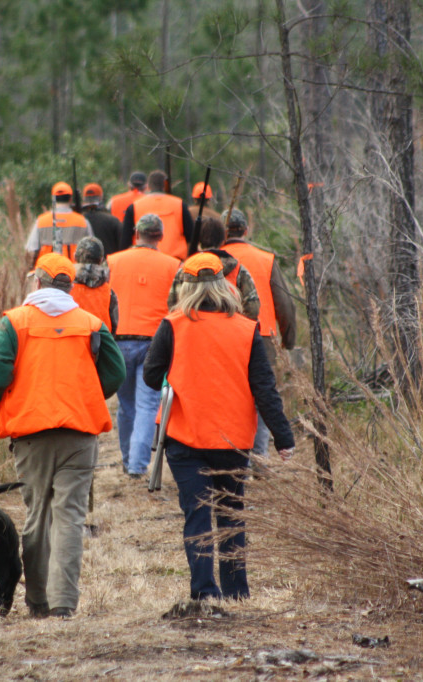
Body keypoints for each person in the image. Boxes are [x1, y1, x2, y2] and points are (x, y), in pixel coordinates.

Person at [0, 253, 125, 619]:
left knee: (37, 515)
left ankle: (39, 602)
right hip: (79, 435)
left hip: (31, 435)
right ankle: (64, 604)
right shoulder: (91, 323)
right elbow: (115, 371)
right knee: (71, 516)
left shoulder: (15, 322)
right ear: (69, 286)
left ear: (38, 283)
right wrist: (87, 394)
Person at [143, 252, 294, 601]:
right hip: (233, 440)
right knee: (231, 514)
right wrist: (283, 437)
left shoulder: (173, 324)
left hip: (184, 437)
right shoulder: (246, 329)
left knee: (197, 514)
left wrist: (180, 375)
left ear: (187, 287)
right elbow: (264, 390)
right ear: (225, 284)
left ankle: (203, 593)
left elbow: (152, 376)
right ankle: (237, 592)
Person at [106, 214, 180, 478]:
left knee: (125, 406)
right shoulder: (174, 266)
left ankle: (128, 461)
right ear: (160, 236)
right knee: (148, 405)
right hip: (154, 345)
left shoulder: (112, 262)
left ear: (136, 232)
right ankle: (137, 466)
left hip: (118, 342)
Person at [220, 208, 297, 459]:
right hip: (262, 336)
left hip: (222, 337)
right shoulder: (266, 258)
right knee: (262, 396)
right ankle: (259, 457)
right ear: (246, 230)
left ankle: (230, 451)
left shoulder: (213, 259)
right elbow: (284, 304)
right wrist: (288, 340)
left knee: (228, 396)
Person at [166, 216, 259, 319]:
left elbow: (173, 306)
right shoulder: (238, 269)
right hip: (229, 331)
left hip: (192, 330)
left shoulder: (185, 269)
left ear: (198, 241)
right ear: (223, 240)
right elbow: (253, 308)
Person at [122, 170, 194, 260]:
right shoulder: (180, 204)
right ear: (165, 185)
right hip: (175, 261)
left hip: (143, 259)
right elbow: (191, 237)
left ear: (148, 186)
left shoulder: (135, 206)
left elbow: (125, 240)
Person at [25, 182, 93, 270]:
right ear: (70, 199)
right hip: (74, 273)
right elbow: (92, 249)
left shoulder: (41, 221)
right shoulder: (83, 221)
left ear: (53, 199)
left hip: (47, 273)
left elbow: (31, 249)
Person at [71, 236, 118, 334]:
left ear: (75, 257)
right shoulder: (109, 291)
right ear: (101, 260)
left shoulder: (65, 286)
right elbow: (114, 325)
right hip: (99, 344)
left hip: (72, 341)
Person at [80, 183, 124, 256]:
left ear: (83, 198)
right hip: (108, 263)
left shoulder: (78, 220)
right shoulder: (112, 220)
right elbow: (122, 245)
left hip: (82, 264)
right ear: (101, 197)